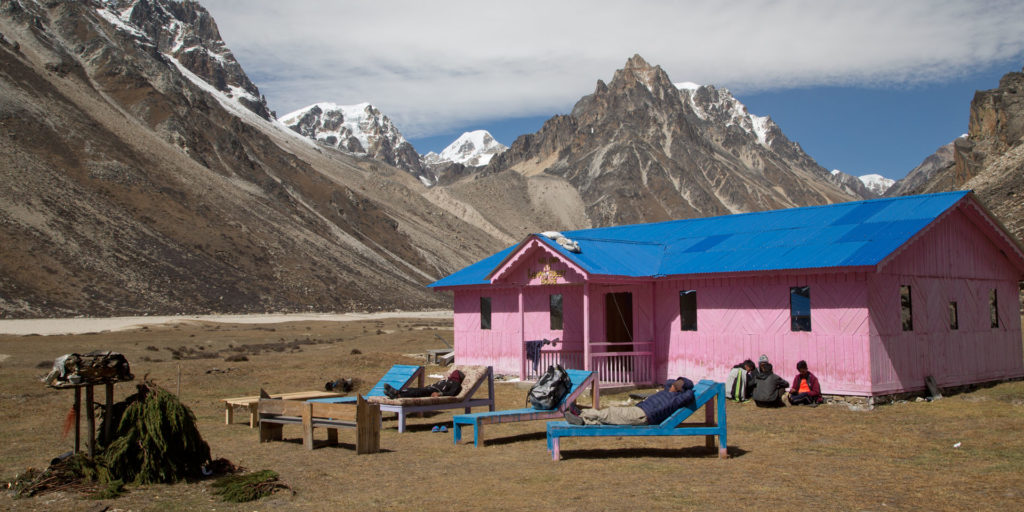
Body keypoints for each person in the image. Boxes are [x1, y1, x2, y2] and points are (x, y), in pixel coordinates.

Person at [563, 377, 695, 426]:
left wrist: (686, 387)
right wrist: (678, 384)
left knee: (611, 412)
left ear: (680, 389)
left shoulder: (676, 399)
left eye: (678, 384)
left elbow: (689, 395)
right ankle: (583, 421)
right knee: (610, 419)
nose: (674, 383)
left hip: (643, 415)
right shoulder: (668, 390)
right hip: (639, 410)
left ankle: (581, 413)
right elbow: (669, 381)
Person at [383, 369, 463, 398]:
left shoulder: (456, 384)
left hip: (433, 391)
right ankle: (396, 392)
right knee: (414, 389)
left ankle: (398, 395)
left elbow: (452, 393)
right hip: (430, 388)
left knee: (417, 392)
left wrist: (440, 394)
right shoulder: (446, 380)